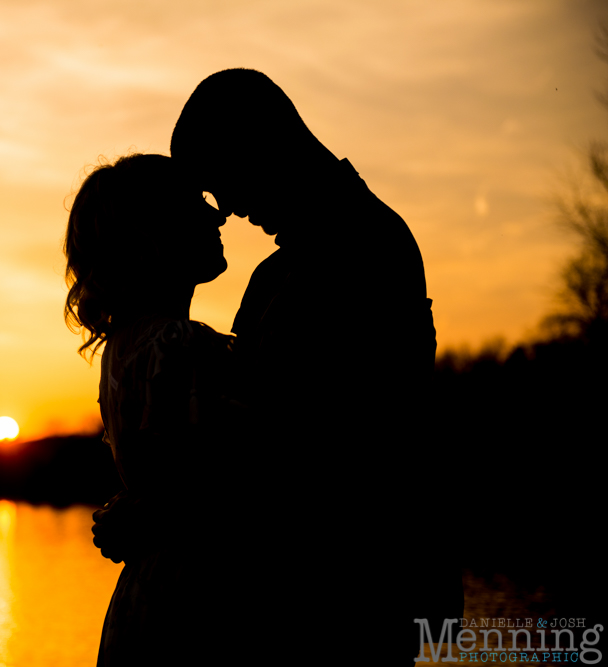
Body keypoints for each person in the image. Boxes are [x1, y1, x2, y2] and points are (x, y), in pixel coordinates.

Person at [95, 69, 463, 664]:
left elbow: (334, 450)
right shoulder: (274, 276)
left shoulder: (371, 250)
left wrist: (156, 510)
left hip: (368, 602)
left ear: (261, 146)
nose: (229, 212)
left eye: (222, 185)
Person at [64, 153, 239, 666]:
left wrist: (133, 509)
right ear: (154, 236)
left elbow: (167, 474)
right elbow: (227, 485)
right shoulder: (179, 345)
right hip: (195, 606)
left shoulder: (123, 348)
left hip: (145, 597)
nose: (217, 214)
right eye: (195, 205)